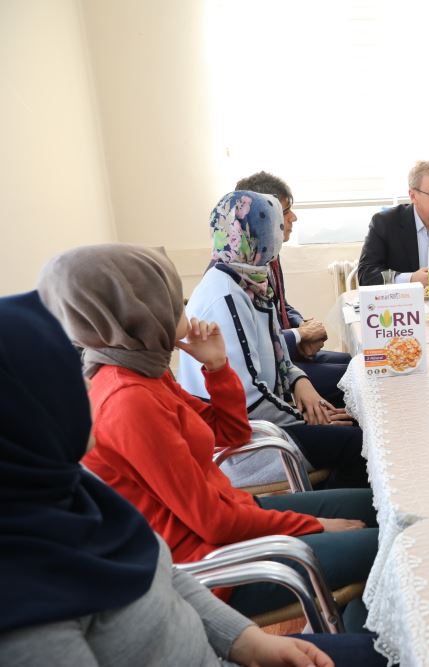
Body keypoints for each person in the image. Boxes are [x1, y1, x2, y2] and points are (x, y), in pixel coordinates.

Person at [0, 291, 385, 666]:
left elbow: (164, 572)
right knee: (390, 554)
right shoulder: (24, 608)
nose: (86, 386)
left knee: (383, 536)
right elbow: (210, 524)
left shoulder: (74, 490)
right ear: (23, 412)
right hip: (222, 555)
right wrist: (311, 525)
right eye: (66, 376)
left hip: (231, 541)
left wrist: (247, 642)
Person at [178, 191, 368, 489]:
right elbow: (249, 401)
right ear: (257, 234)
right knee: (361, 444)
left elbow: (274, 349)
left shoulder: (244, 278)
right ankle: (332, 511)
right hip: (246, 446)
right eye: (277, 227)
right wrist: (307, 421)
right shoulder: (226, 295)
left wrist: (298, 381)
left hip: (262, 423)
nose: (280, 235)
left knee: (357, 411)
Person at [235, 171, 351, 406]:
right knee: (354, 377)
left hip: (287, 349)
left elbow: (281, 305)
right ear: (265, 216)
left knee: (353, 361)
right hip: (274, 370)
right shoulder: (242, 270)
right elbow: (257, 344)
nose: (294, 218)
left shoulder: (270, 255)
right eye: (286, 212)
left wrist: (301, 325)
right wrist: (299, 336)